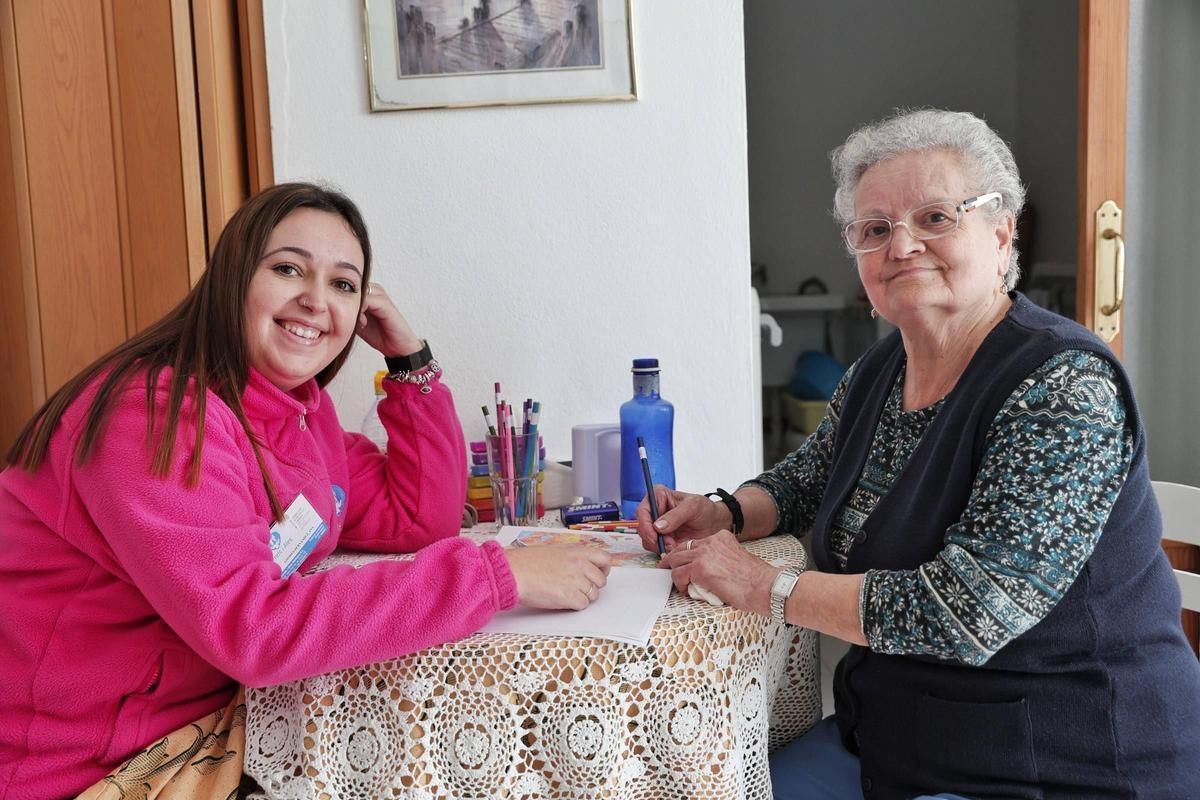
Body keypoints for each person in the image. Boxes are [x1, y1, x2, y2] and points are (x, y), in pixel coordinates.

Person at [637, 109, 1200, 799]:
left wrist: (762, 587)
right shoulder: (880, 370)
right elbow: (806, 481)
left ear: (1001, 234)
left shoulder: (1061, 386)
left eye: (935, 217)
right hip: (894, 740)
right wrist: (722, 511)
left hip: (1055, 762)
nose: (901, 246)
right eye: (875, 230)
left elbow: (967, 611)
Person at [0, 182, 611, 799]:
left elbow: (420, 517)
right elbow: (252, 628)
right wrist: (499, 575)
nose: (316, 300)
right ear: (233, 279)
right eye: (288, 268)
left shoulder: (296, 414)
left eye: (344, 284)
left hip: (201, 730)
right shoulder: (157, 416)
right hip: (85, 767)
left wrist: (409, 361)